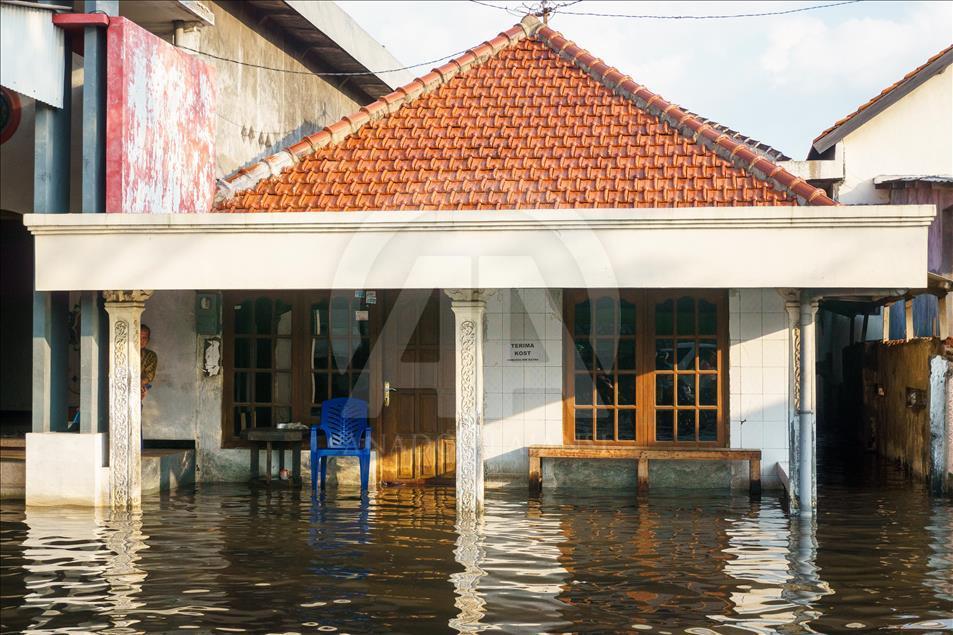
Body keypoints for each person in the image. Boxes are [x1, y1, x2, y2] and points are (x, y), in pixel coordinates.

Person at [141, 324, 158, 401]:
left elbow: (149, 376)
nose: (141, 340)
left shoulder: (150, 355)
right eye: (138, 336)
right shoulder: (126, 352)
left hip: (140, 389)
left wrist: (139, 384)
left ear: (148, 340)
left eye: (144, 338)